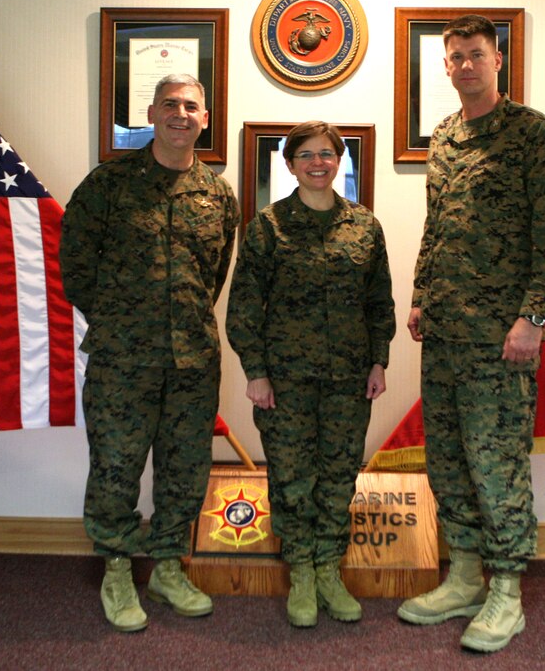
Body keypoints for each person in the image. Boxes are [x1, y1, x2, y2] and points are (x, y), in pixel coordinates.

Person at [397, 15, 545, 653]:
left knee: (497, 464)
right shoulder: (444, 137)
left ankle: (506, 590)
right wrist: (420, 297)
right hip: (445, 336)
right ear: (445, 67)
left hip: (501, 339)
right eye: (455, 58)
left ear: (498, 61)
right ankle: (466, 574)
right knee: (448, 462)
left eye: (476, 55)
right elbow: (438, 225)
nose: (465, 66)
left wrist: (533, 320)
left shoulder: (531, 135)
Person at [59, 73, 240, 633]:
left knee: (185, 470)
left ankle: (166, 565)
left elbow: (215, 276)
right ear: (152, 113)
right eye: (170, 104)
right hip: (122, 360)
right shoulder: (108, 185)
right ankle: (117, 566)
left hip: (192, 360)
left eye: (191, 106)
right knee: (116, 467)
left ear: (205, 119)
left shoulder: (218, 195)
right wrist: (120, 321)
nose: (180, 114)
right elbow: (75, 268)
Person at [226, 121, 396, 628]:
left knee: (339, 476)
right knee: (292, 478)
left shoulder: (365, 226)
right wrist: (255, 372)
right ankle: (300, 570)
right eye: (306, 155)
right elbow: (244, 306)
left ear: (339, 160)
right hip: (285, 381)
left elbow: (378, 300)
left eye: (327, 153)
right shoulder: (266, 227)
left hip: (349, 379)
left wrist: (379, 359)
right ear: (289, 163)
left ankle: (329, 569)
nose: (317, 162)